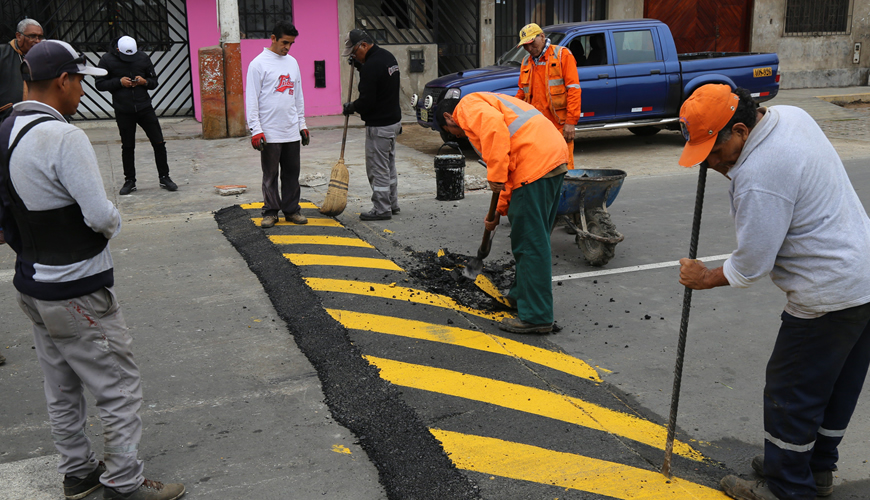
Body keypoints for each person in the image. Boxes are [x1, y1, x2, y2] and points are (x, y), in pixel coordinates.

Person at [0, 39, 185, 500]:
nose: (83, 91)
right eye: (81, 81)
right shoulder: (63, 137)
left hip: (34, 285)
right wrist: (114, 219)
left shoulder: (4, 129)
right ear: (63, 80)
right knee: (118, 388)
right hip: (78, 289)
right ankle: (123, 483)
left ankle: (78, 474)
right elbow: (101, 217)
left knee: (61, 387)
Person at [676, 84, 870, 500]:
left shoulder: (758, 176)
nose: (710, 164)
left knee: (792, 393)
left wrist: (703, 277)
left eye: (714, 151)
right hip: (863, 277)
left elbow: (751, 265)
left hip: (827, 294)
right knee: (835, 386)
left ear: (741, 131)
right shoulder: (791, 116)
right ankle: (815, 468)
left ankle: (787, 486)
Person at [436, 92, 568, 334]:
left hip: (535, 163)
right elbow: (508, 162)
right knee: (531, 238)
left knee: (530, 243)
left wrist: (494, 176)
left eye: (449, 131)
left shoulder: (466, 107)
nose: (457, 135)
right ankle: (520, 297)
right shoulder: (483, 102)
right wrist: (499, 209)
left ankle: (537, 317)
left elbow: (496, 133)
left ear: (448, 117)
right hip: (548, 157)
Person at [245, 20, 309, 228]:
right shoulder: (258, 64)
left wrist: (302, 124)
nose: (287, 47)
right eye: (284, 42)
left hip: (291, 129)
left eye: (291, 43)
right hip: (269, 132)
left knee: (292, 174)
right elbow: (251, 99)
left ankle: (292, 210)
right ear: (273, 38)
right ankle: (271, 212)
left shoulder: (293, 63)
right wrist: (256, 129)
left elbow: (298, 96)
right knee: (270, 174)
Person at [95, 36, 177, 195]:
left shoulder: (142, 58)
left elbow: (154, 82)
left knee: (159, 142)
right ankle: (130, 181)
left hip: (144, 107)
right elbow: (99, 84)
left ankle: (164, 177)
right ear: (118, 50)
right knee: (128, 146)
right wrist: (119, 82)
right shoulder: (106, 59)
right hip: (123, 109)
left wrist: (144, 82)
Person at [341, 29, 402, 221]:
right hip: (393, 122)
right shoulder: (388, 57)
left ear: (364, 46)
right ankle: (392, 203)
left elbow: (367, 101)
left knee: (377, 169)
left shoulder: (371, 66)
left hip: (379, 125)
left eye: (354, 53)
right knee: (388, 166)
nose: (354, 56)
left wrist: (352, 107)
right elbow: (380, 81)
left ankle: (382, 209)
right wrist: (360, 66)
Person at [515, 23, 581, 169]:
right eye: (525, 46)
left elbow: (574, 90)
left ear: (542, 37)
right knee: (539, 169)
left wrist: (571, 122)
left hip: (559, 125)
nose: (529, 49)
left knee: (562, 167)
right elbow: (521, 93)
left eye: (532, 43)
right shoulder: (526, 62)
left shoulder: (562, 55)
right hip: (535, 126)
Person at [0, 18, 43, 121]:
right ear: (19, 36)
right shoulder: (2, 53)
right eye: (32, 36)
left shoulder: (42, 57)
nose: (37, 41)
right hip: (5, 118)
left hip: (35, 119)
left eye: (40, 37)